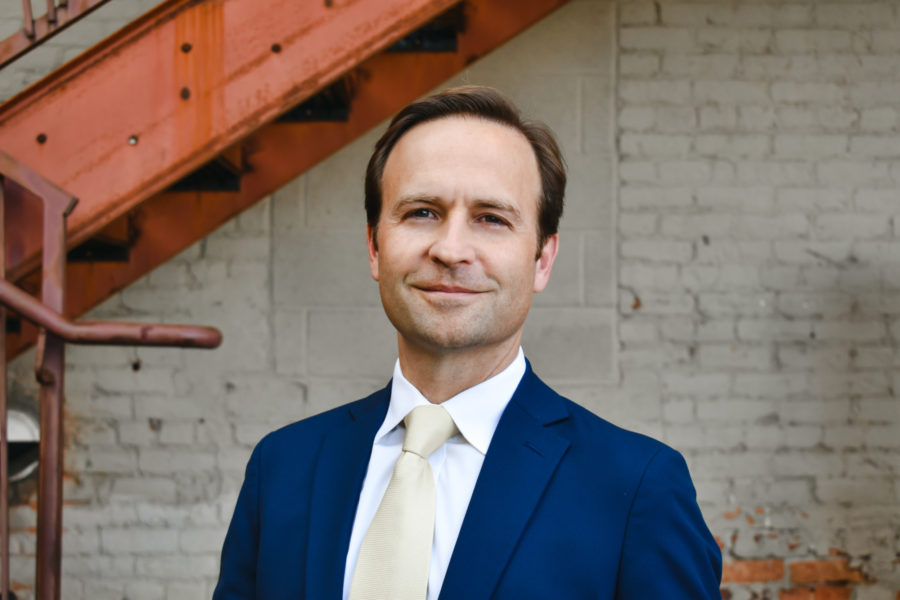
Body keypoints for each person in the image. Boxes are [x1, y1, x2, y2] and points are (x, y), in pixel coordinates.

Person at [213, 86, 722, 599]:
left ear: (542, 259)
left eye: (491, 219)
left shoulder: (636, 489)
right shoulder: (281, 468)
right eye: (422, 212)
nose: (451, 249)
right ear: (373, 246)